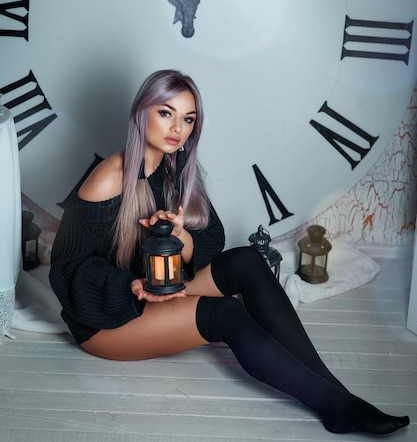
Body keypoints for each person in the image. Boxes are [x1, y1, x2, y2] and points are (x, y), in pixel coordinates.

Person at [49, 69, 409, 435]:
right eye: (165, 113)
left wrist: (181, 238)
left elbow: (212, 237)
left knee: (247, 261)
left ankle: (338, 397)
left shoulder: (174, 166)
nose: (177, 128)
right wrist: (131, 287)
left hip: (157, 290)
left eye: (187, 118)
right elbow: (67, 270)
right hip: (106, 321)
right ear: (142, 113)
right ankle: (336, 406)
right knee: (224, 313)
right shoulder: (109, 177)